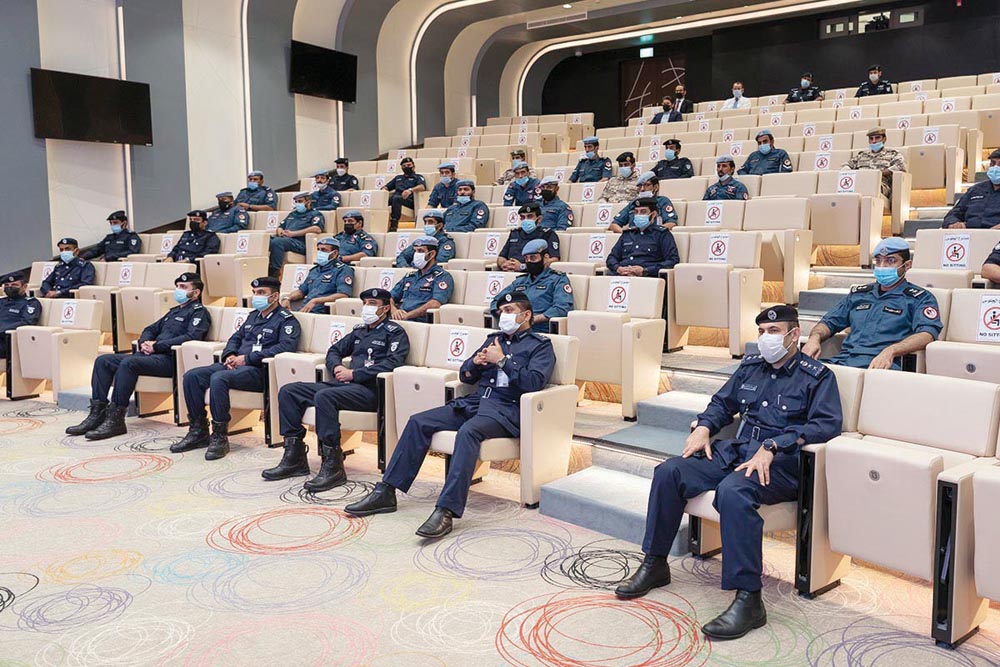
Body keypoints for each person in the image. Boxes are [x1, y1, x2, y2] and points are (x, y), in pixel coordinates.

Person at [615, 305, 843, 641]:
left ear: (795, 335)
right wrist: (704, 427)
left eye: (775, 332)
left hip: (780, 464)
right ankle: (655, 563)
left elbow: (826, 425)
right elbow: (723, 403)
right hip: (736, 452)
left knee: (733, 491)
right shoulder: (750, 368)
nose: (766, 339)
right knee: (669, 472)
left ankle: (749, 599)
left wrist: (775, 445)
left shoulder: (817, 376)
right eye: (762, 332)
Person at [344, 291, 556, 539]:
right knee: (419, 421)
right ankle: (387, 491)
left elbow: (534, 383)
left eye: (509, 311)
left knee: (468, 432)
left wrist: (502, 362)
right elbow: (465, 376)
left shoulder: (540, 346)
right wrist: (475, 364)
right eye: (502, 311)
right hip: (476, 402)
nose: (503, 315)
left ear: (526, 315)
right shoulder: (493, 339)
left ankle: (446, 509)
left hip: (507, 409)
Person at [266, 288, 409, 490]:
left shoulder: (394, 333)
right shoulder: (359, 331)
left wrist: (355, 374)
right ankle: (294, 456)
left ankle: (333, 465)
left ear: (385, 308)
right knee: (290, 391)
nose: (368, 307)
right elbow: (333, 351)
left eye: (373, 304)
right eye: (366, 303)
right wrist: (337, 367)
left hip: (371, 391)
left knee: (325, 396)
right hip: (346, 387)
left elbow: (393, 363)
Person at [67, 274, 211, 440]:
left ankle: (116, 418)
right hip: (150, 356)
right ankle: (97, 413)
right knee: (104, 360)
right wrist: (145, 342)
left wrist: (156, 346)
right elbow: (150, 328)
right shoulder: (173, 312)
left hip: (170, 360)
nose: (178, 290)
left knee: (130, 362)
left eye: (184, 287)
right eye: (177, 286)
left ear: (196, 292)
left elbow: (191, 337)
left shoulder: (199, 313)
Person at [172, 277, 301, 460]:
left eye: (261, 293)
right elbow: (235, 338)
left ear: (274, 297)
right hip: (236, 366)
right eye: (255, 293)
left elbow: (284, 348)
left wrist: (247, 359)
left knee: (219, 378)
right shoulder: (252, 316)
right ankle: (198, 430)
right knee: (192, 376)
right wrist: (230, 355)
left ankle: (220, 436)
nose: (256, 296)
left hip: (259, 371)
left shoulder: (286, 321)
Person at [802, 237, 942, 370]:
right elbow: (829, 322)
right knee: (799, 371)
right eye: (879, 261)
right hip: (845, 360)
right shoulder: (859, 294)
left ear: (907, 266)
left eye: (890, 261)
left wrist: (892, 350)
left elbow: (927, 334)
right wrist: (814, 338)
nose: (882, 266)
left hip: (881, 365)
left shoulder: (919, 298)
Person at [490, 240, 573, 333]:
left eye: (533, 258)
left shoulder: (558, 279)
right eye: (526, 259)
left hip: (539, 330)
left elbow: (562, 308)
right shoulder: (520, 281)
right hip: (514, 328)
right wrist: (506, 315)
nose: (529, 262)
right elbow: (496, 302)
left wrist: (530, 320)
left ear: (545, 258)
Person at [606, 197, 680, 276]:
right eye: (636, 212)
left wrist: (646, 270)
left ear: (653, 214)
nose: (638, 215)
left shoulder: (662, 234)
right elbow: (611, 258)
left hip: (647, 278)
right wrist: (618, 268)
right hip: (622, 276)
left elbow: (672, 260)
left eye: (643, 212)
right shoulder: (627, 234)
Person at [389, 237, 455, 321]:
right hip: (399, 319)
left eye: (420, 251)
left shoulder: (442, 276)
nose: (416, 255)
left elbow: (435, 304)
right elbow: (389, 297)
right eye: (415, 251)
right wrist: (394, 311)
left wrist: (408, 315)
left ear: (432, 254)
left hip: (419, 322)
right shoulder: (410, 276)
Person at [281, 237, 354, 313]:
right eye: (318, 250)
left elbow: (343, 295)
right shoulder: (314, 270)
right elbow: (301, 291)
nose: (319, 253)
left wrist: (316, 301)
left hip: (322, 311)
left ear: (335, 253)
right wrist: (287, 298)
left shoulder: (343, 270)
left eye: (323, 250)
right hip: (305, 309)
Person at [268, 192, 325, 277]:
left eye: (300, 201)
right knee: (266, 240)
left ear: (308, 202)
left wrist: (293, 234)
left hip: (300, 242)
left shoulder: (315, 214)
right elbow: (280, 226)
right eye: (296, 201)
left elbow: (317, 228)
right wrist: (281, 232)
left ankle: (274, 273)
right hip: (286, 239)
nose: (298, 204)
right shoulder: (292, 214)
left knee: (277, 242)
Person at [943, 149, 1000, 230]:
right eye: (993, 163)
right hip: (968, 236)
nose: (996, 168)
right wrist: (953, 223)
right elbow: (953, 214)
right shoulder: (975, 190)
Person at [843, 127, 907, 198]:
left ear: (884, 139)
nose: (874, 141)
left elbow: (901, 166)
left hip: (880, 185)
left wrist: (878, 174)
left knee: (867, 186)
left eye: (877, 138)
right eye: (871, 139)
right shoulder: (862, 155)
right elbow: (847, 165)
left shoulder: (893, 154)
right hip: (860, 182)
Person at [498, 203, 561, 272]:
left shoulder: (548, 234)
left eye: (530, 216)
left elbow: (554, 260)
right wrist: (504, 264)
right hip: (510, 272)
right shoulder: (515, 233)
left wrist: (522, 267)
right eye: (523, 217)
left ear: (539, 219)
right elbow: (501, 257)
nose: (526, 220)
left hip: (533, 274)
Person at [611, 172, 679, 232]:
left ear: (656, 187)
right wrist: (626, 234)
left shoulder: (662, 201)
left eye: (647, 185)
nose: (642, 189)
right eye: (640, 186)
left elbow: (671, 223)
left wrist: (653, 233)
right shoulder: (634, 203)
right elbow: (614, 224)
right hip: (633, 239)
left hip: (654, 238)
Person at [0, 272, 41, 359]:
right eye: (7, 285)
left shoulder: (30, 303)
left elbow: (27, 322)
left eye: (14, 285)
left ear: (24, 287)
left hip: (9, 341)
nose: (10, 287)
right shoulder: (1, 301)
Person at [383, 157, 427, 231]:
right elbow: (387, 187)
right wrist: (383, 190)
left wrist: (410, 190)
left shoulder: (418, 177)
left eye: (409, 165)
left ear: (413, 165)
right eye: (404, 166)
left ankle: (394, 224)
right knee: (383, 200)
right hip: (395, 198)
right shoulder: (398, 178)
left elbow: (422, 187)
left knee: (396, 198)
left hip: (409, 200)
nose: (407, 167)